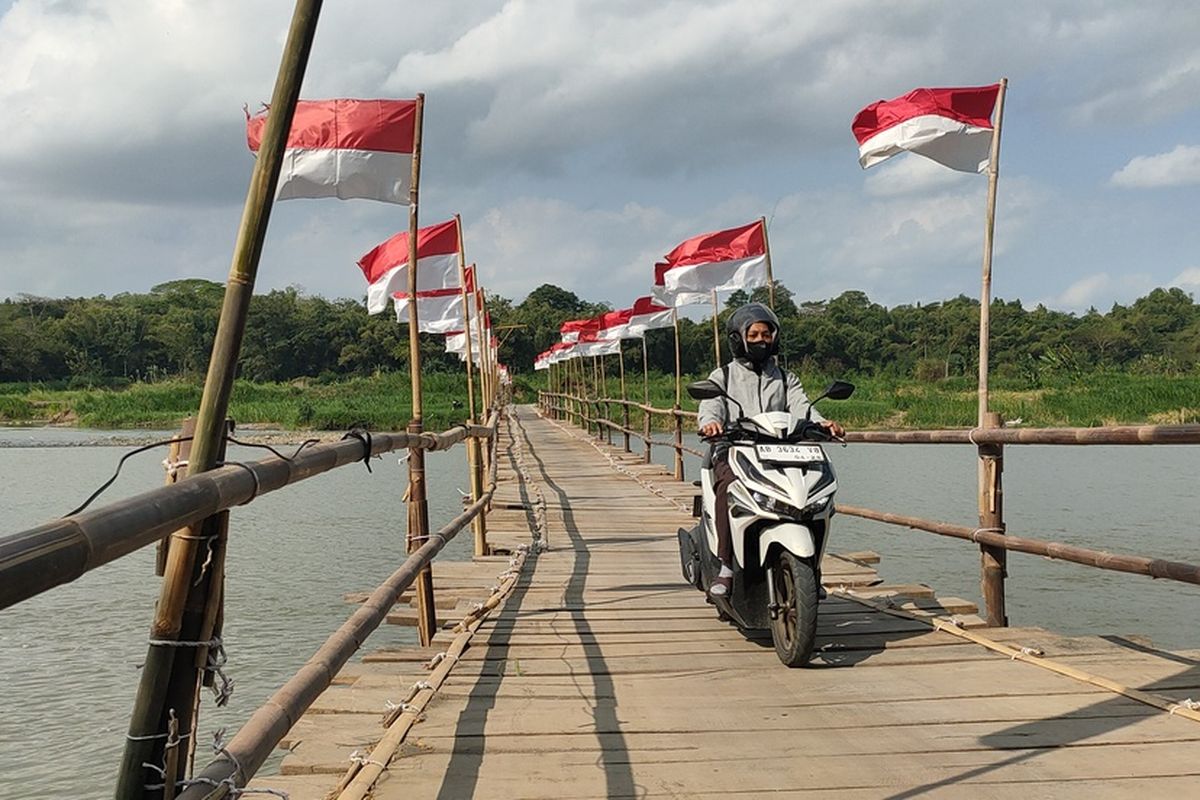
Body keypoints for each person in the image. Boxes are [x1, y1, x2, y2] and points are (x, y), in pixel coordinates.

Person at [697, 303, 845, 598]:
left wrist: (821, 423)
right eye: (753, 334)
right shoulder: (723, 376)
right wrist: (711, 423)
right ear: (738, 338)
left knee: (814, 489)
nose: (761, 339)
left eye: (766, 333)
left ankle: (812, 567)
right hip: (735, 448)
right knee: (728, 487)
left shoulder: (786, 377)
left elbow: (802, 406)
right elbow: (711, 406)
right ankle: (726, 565)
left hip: (782, 451)